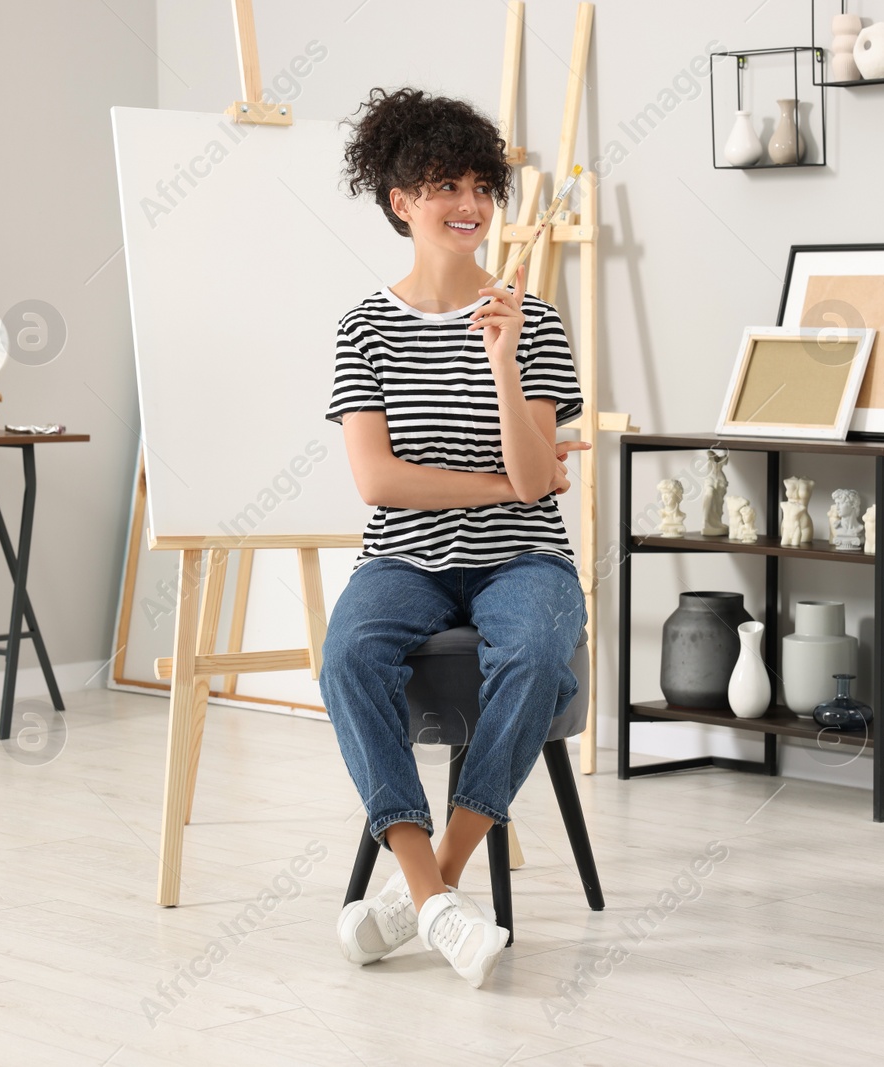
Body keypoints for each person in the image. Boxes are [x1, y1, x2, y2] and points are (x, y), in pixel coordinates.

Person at [321, 86, 590, 989]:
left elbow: (528, 487)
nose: (469, 204)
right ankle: (428, 892)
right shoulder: (364, 327)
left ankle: (431, 886)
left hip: (525, 553)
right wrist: (505, 481)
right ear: (400, 200)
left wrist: (505, 360)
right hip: (403, 555)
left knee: (540, 647)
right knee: (349, 652)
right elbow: (379, 481)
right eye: (444, 185)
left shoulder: (534, 318)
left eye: (481, 184)